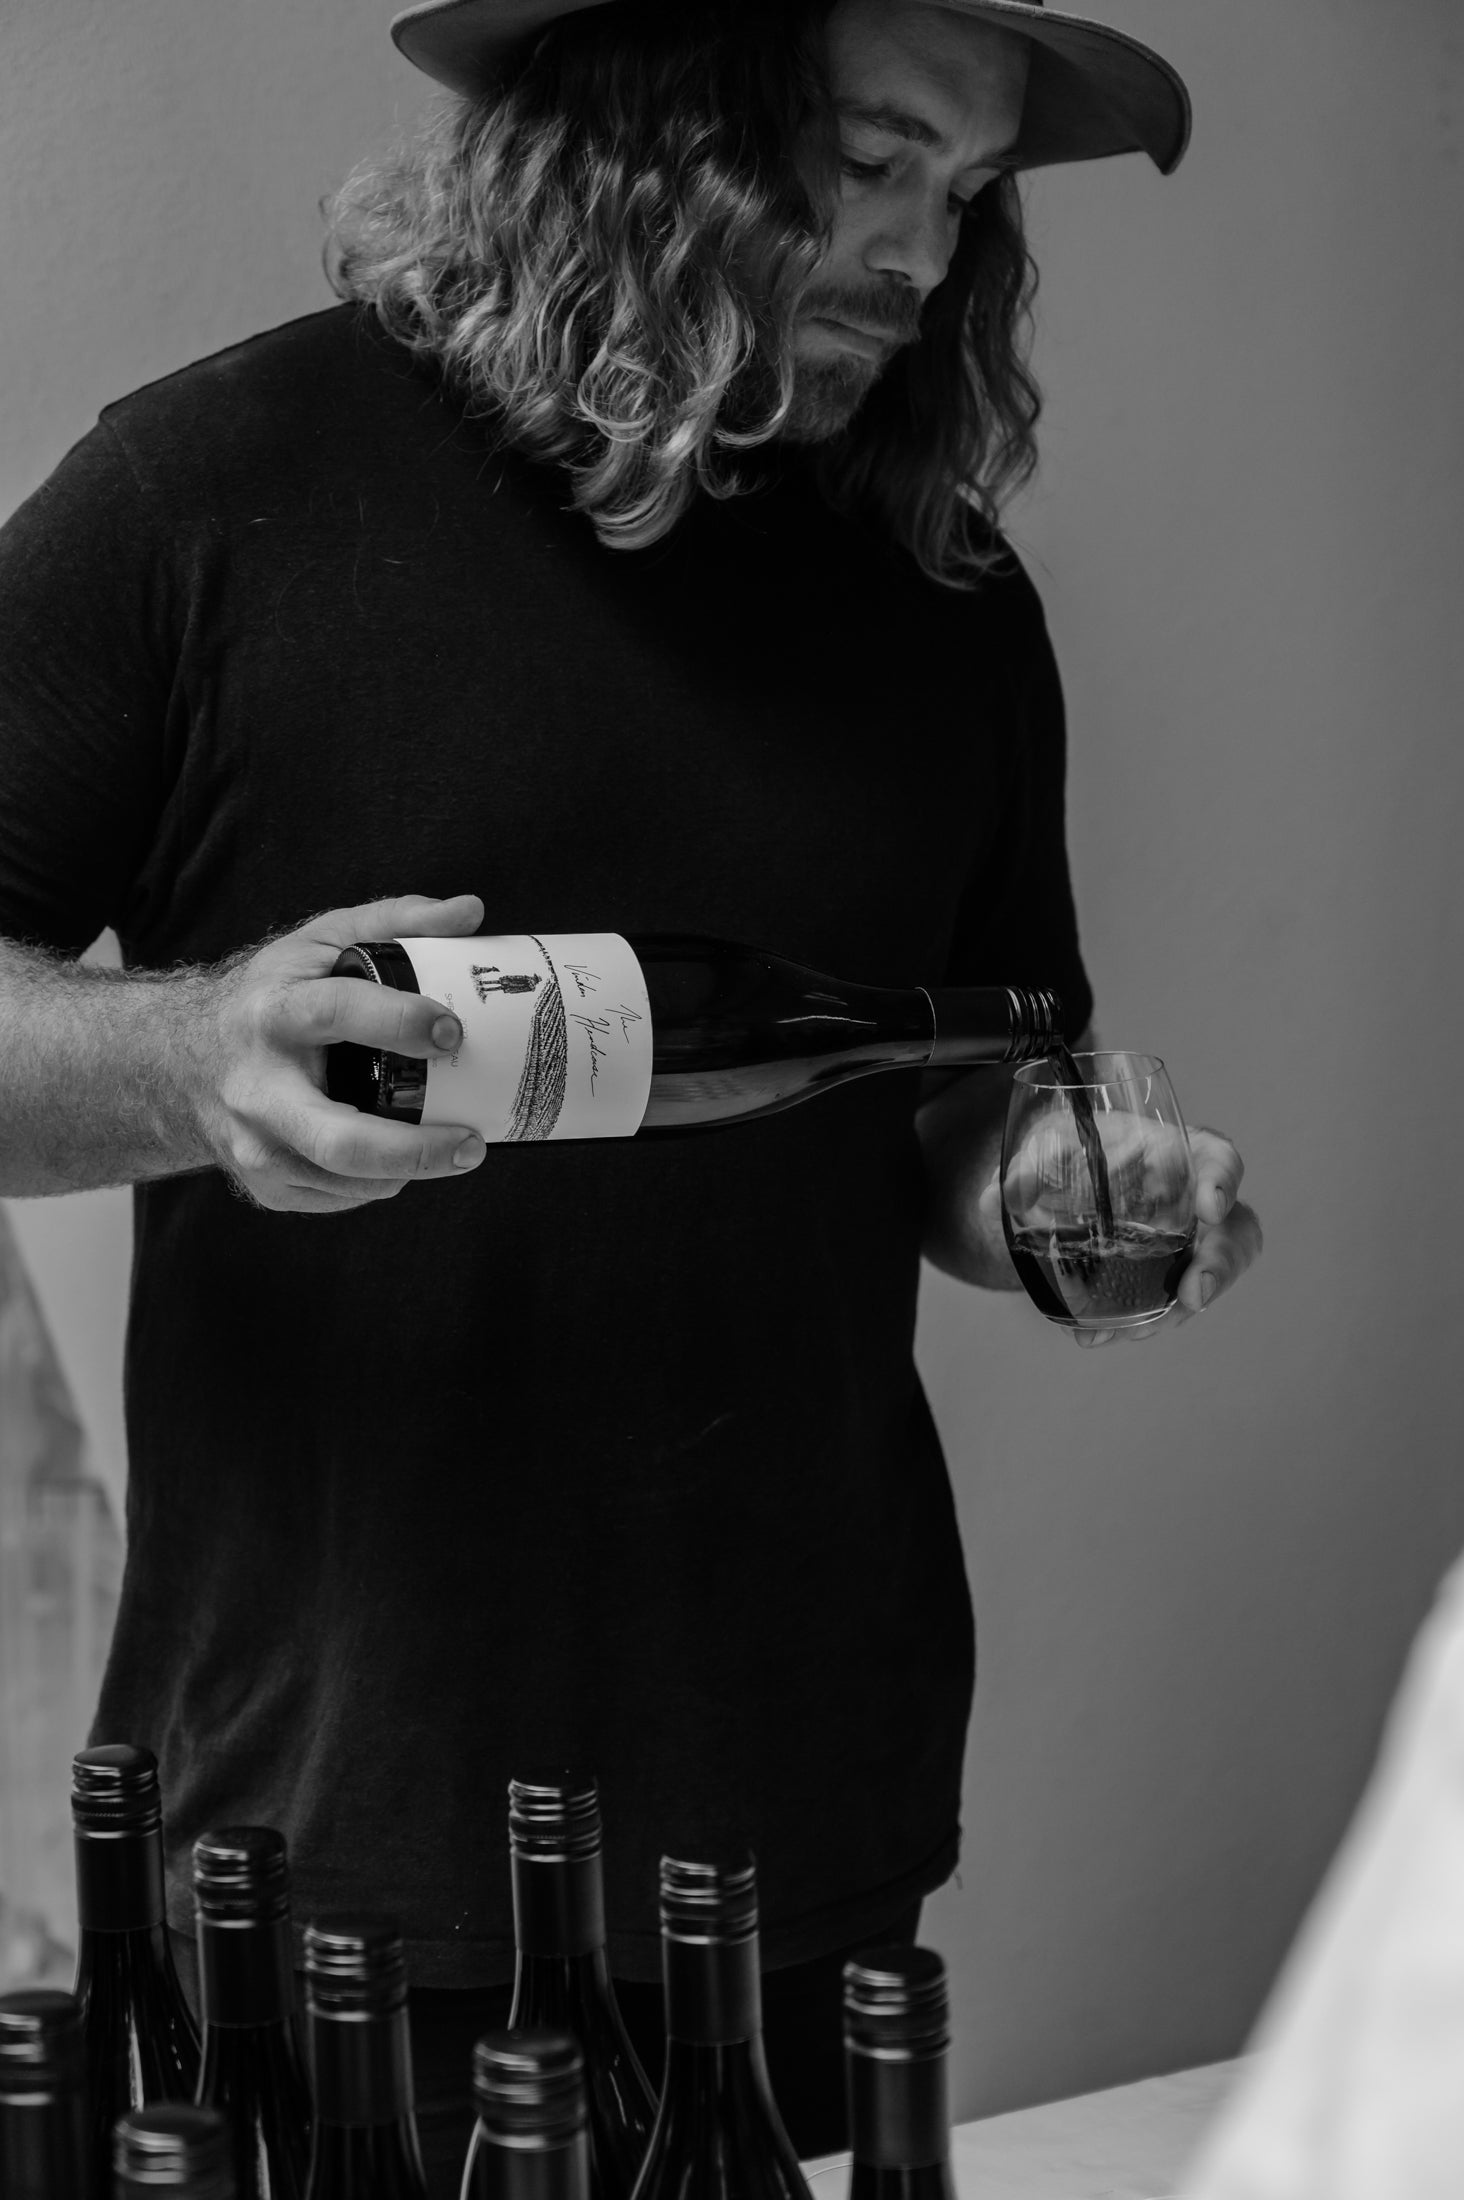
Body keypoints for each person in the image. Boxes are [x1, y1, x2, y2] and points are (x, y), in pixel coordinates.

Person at [0, 0, 1261, 2183]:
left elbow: (966, 1102)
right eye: (870, 158)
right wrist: (196, 1061)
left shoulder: (944, 598)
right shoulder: (210, 490)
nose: (923, 253)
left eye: (965, 196)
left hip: (794, 1808)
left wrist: (1068, 1194)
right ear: (653, 127)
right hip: (334, 1815)